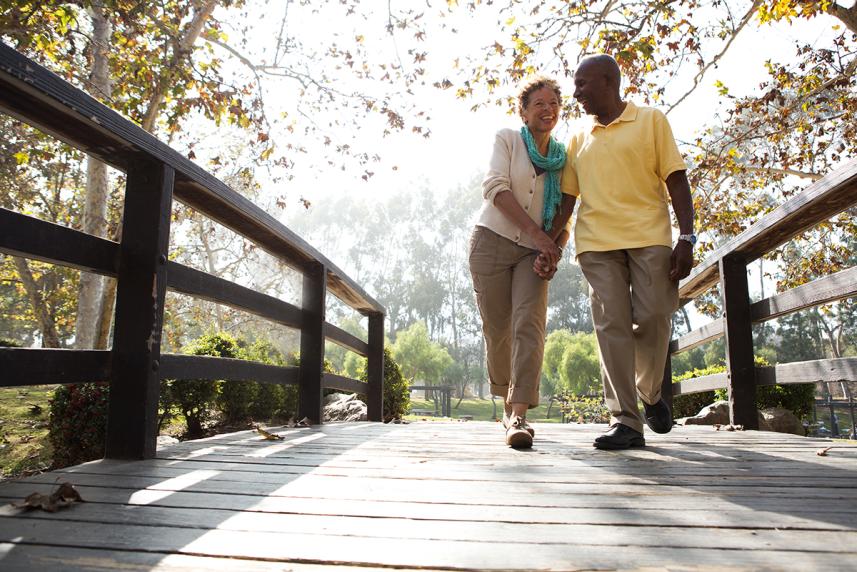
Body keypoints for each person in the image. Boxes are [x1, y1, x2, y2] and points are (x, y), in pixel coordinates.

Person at [554, 54, 695, 450]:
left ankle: (649, 394)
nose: (576, 92)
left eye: (582, 83)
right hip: (597, 245)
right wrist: (551, 243)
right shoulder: (578, 140)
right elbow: (568, 200)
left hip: (650, 237)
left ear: (607, 80)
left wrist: (687, 238)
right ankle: (626, 421)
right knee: (611, 328)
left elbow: (677, 180)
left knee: (654, 316)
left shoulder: (651, 120)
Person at [469, 76, 575, 448]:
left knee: (529, 325)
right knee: (498, 329)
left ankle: (519, 416)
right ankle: (504, 403)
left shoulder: (564, 157)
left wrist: (553, 249)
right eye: (539, 105)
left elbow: (565, 210)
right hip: (491, 243)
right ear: (525, 112)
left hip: (536, 252)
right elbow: (495, 188)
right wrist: (539, 236)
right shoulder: (508, 140)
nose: (548, 110)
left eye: (554, 104)